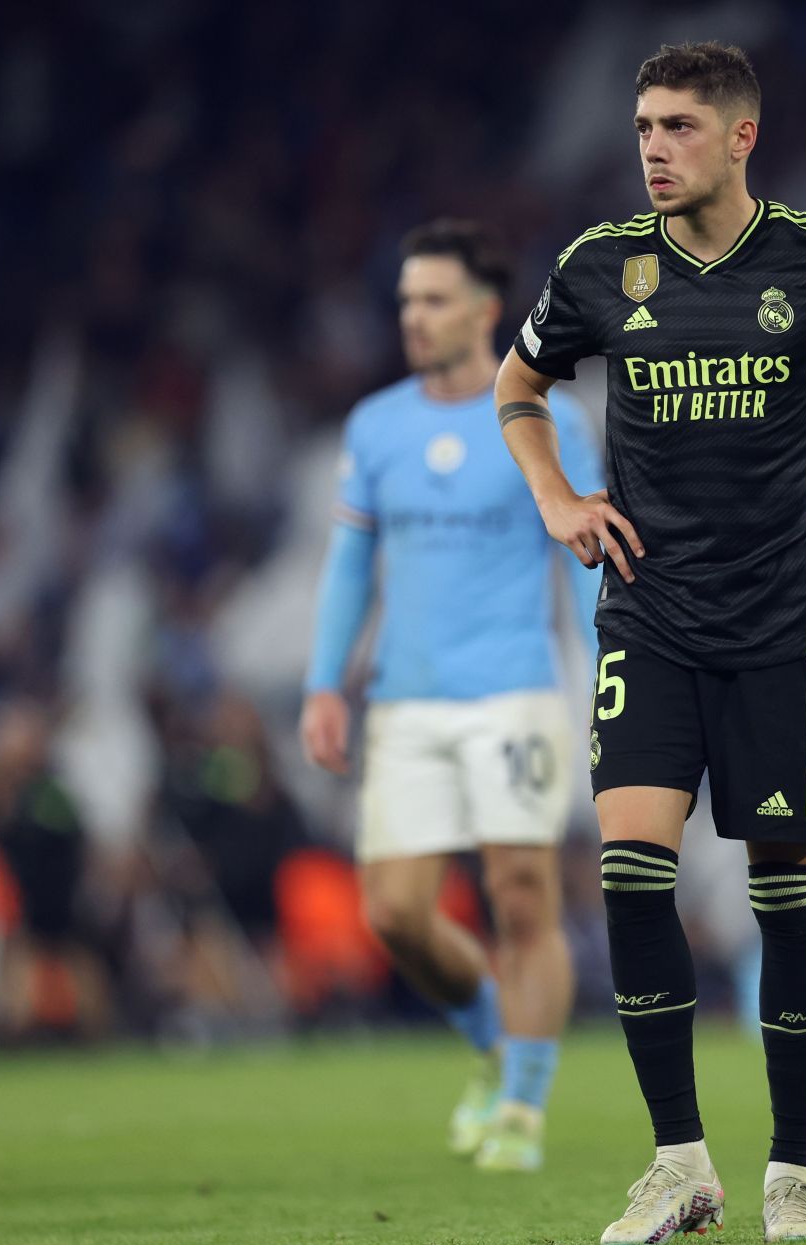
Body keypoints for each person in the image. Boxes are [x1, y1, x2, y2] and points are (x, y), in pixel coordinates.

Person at [496, 42, 806, 1245]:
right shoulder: (601, 266)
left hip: (781, 623)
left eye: (676, 126)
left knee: (785, 893)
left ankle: (791, 1172)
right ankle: (679, 1162)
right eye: (643, 128)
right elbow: (517, 381)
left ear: (740, 137)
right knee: (630, 871)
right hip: (649, 612)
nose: (653, 149)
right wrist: (558, 497)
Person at [300, 219, 602, 1173]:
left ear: (485, 310)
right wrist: (323, 683)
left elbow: (588, 555)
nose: (412, 318)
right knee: (393, 913)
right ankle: (492, 1040)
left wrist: (611, 674)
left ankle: (521, 1108)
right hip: (406, 703)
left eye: (431, 300)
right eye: (405, 301)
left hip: (513, 692)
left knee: (522, 897)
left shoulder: (548, 417)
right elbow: (351, 565)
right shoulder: (377, 425)